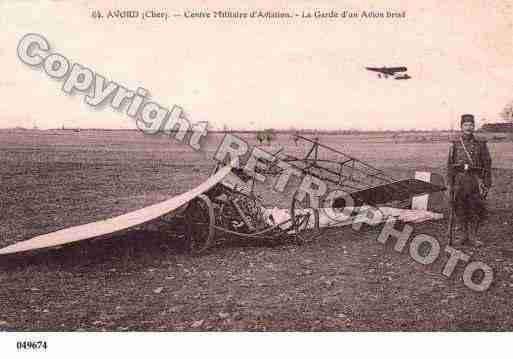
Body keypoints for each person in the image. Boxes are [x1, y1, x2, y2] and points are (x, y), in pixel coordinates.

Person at [447, 114, 492, 245]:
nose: (469, 127)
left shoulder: (481, 144)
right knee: (460, 208)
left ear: (474, 127)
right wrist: (450, 183)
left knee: (475, 208)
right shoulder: (455, 144)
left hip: (474, 180)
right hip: (459, 180)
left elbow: (487, 163)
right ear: (461, 127)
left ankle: (473, 237)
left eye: (471, 125)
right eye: (466, 125)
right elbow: (449, 165)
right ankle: (463, 236)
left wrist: (486, 182)